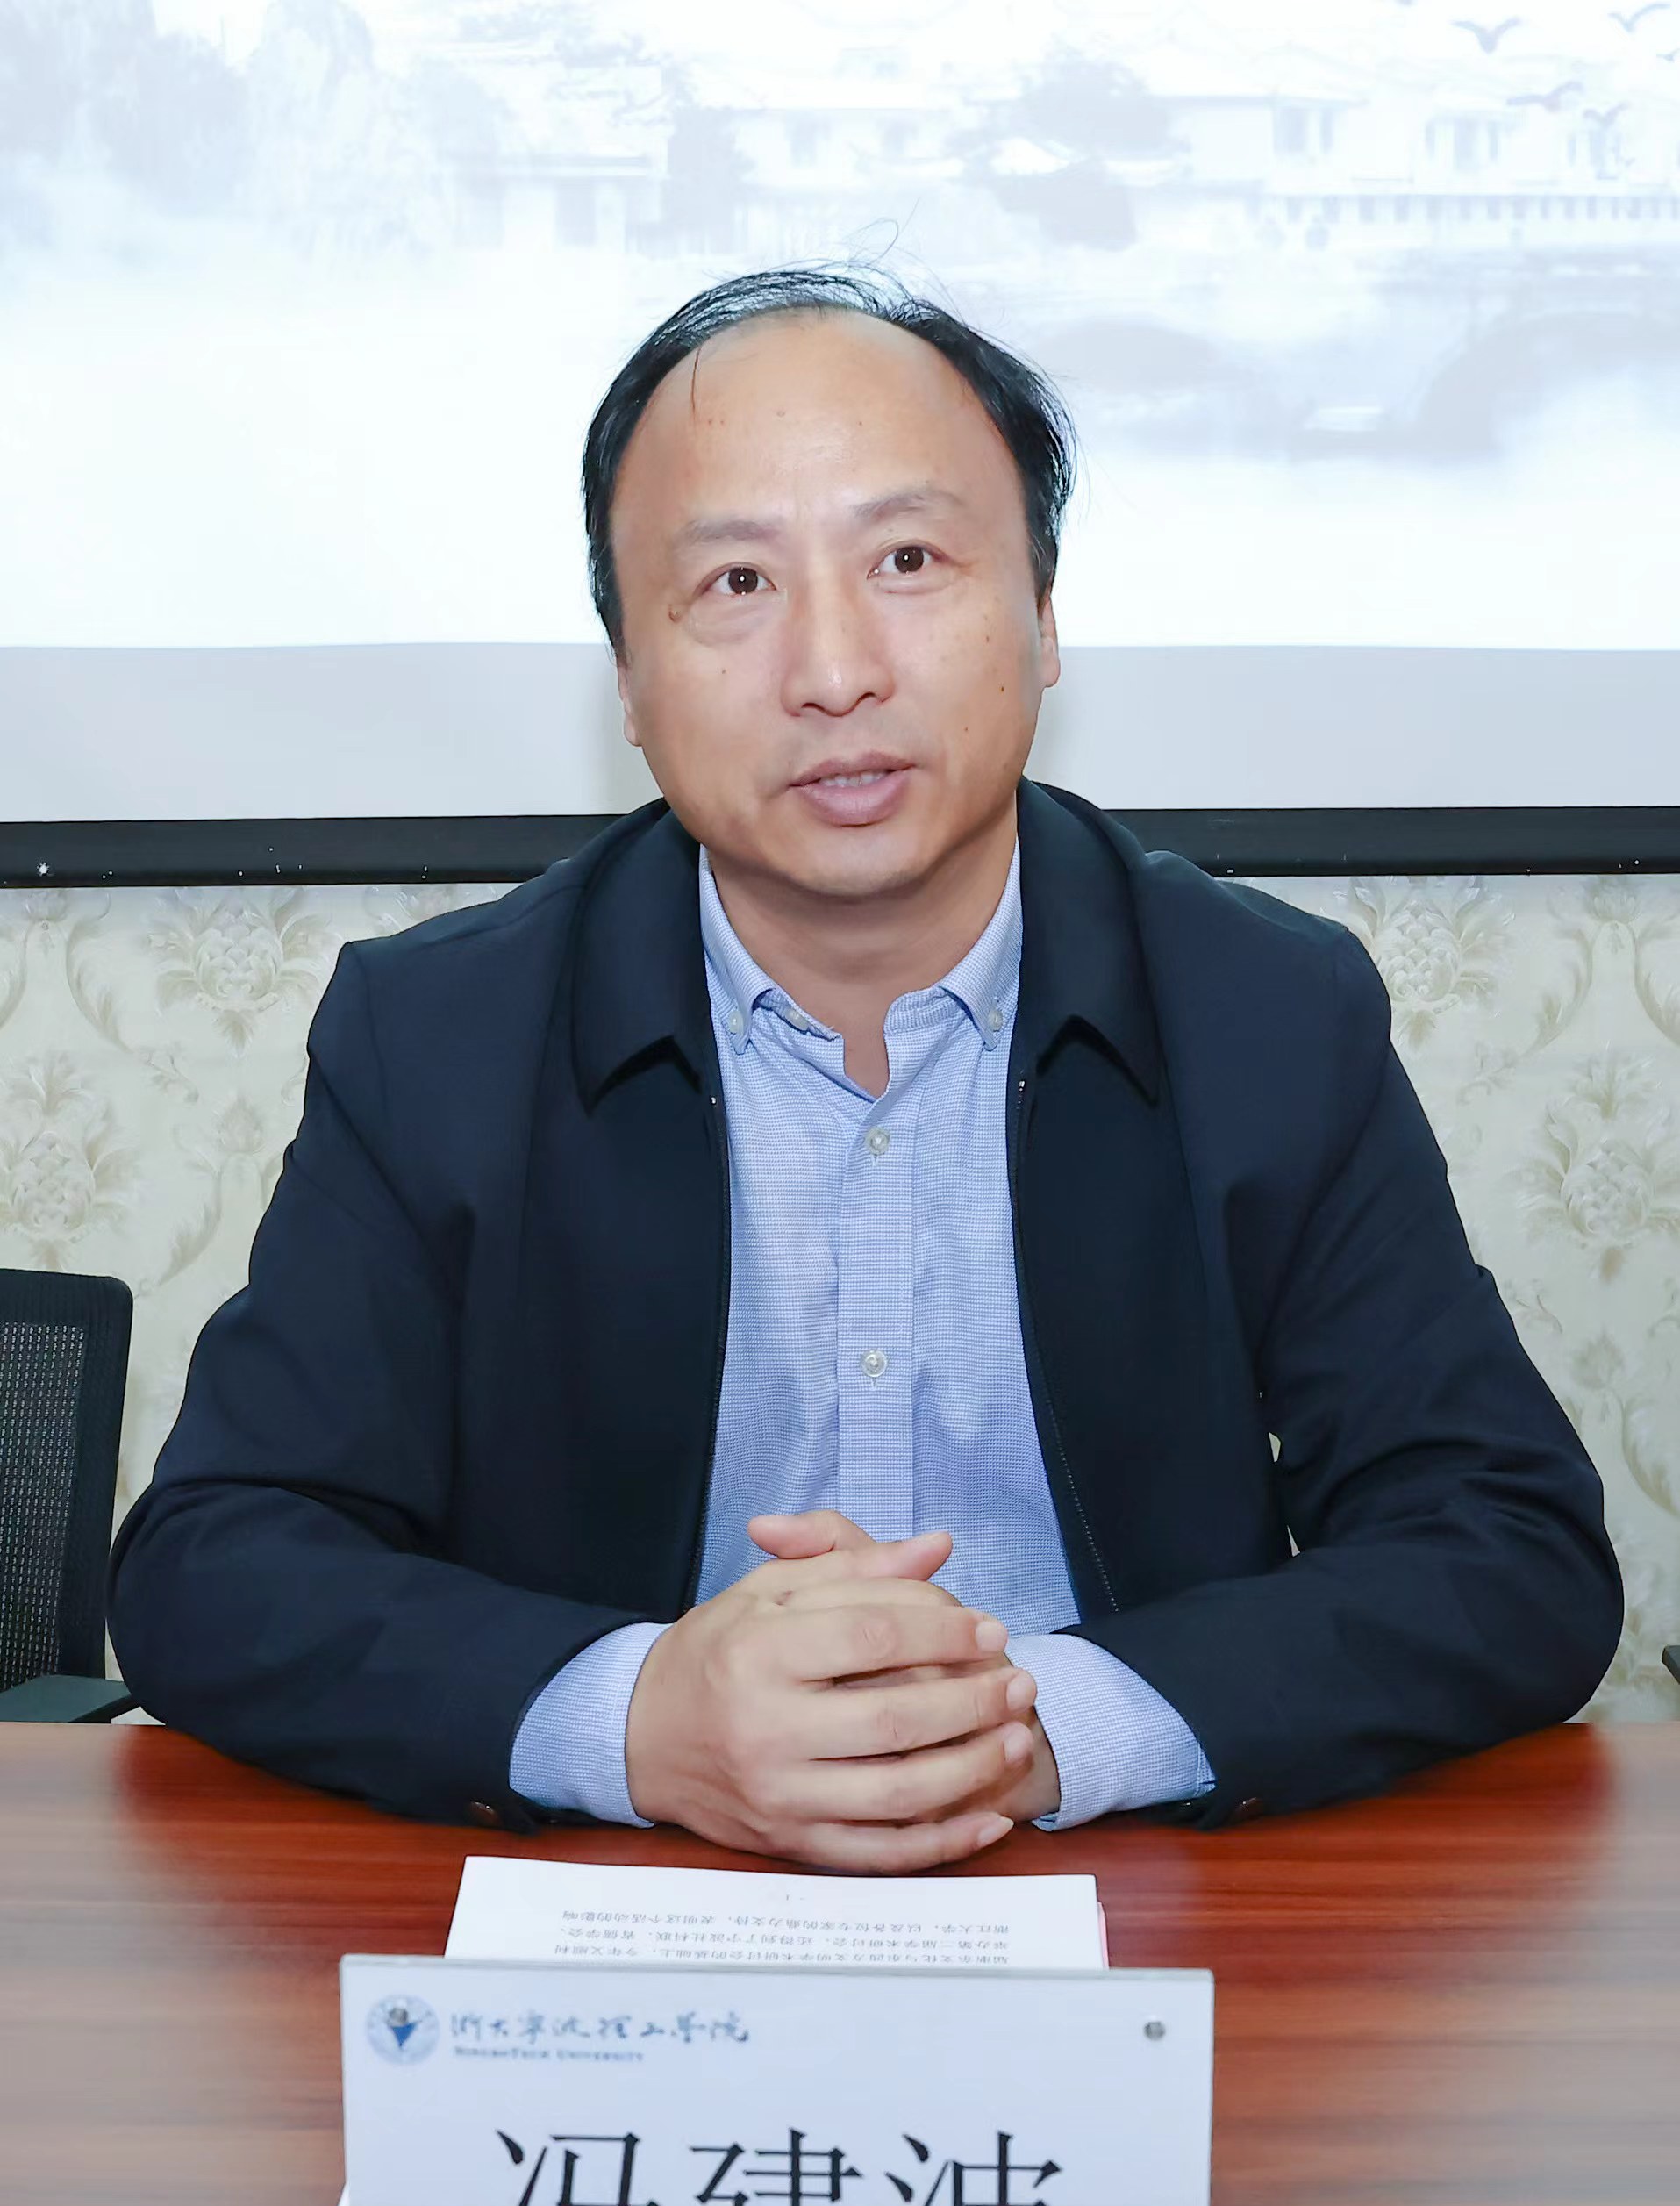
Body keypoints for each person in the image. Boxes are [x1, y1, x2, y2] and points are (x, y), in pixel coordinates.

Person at [108, 268, 1622, 1870]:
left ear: (1043, 617)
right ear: (626, 678)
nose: (833, 669)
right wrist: (639, 1718)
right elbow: (217, 1561)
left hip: (1126, 1894)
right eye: (736, 582)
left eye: (908, 560)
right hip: (624, 1903)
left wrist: (1042, 1723)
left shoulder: (1266, 1012)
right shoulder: (437, 1036)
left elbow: (1506, 1546)